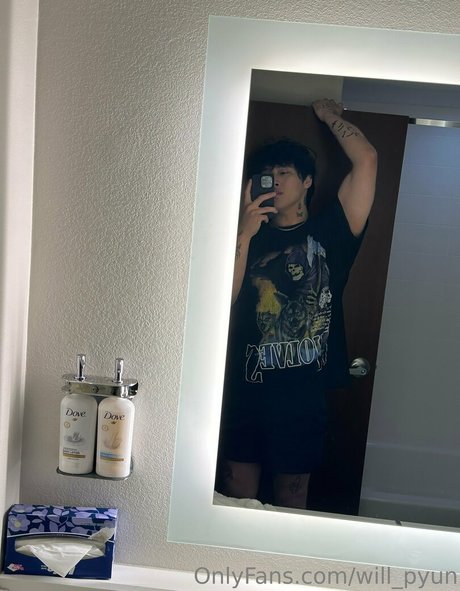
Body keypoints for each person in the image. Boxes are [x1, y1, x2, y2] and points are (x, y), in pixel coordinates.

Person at [217, 98, 378, 510]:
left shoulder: (333, 231)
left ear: (307, 181)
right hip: (245, 387)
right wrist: (244, 232)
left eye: (284, 172)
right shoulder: (244, 235)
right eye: (266, 175)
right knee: (235, 496)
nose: (274, 180)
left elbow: (367, 159)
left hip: (303, 396)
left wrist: (328, 115)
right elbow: (223, 302)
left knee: (292, 499)